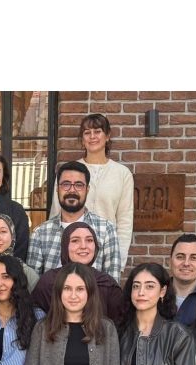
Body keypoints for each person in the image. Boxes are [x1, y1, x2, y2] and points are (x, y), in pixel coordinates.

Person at [23, 262, 122, 365]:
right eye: (67, 288)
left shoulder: (106, 328)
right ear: (58, 292)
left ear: (90, 292)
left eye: (80, 289)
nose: (73, 295)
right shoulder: (43, 328)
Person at [50, 114, 134, 269]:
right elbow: (56, 214)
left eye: (97, 131)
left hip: (106, 252)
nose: (92, 136)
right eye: (87, 132)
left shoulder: (122, 174)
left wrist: (119, 261)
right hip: (71, 252)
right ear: (82, 139)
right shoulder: (68, 172)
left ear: (107, 136)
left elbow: (124, 221)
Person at [118, 262, 196, 365]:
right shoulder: (119, 332)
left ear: (162, 291)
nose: (141, 292)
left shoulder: (178, 335)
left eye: (149, 286)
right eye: (136, 286)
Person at [27, 160, 121, 280]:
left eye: (79, 185)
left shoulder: (106, 230)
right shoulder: (40, 233)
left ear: (87, 189)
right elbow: (34, 285)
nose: (72, 190)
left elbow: (112, 283)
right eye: (66, 184)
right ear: (57, 189)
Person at [32, 222, 123, 325]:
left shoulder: (107, 283)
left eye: (89, 240)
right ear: (65, 245)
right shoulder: (49, 282)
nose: (83, 246)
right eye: (75, 240)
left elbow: (118, 324)